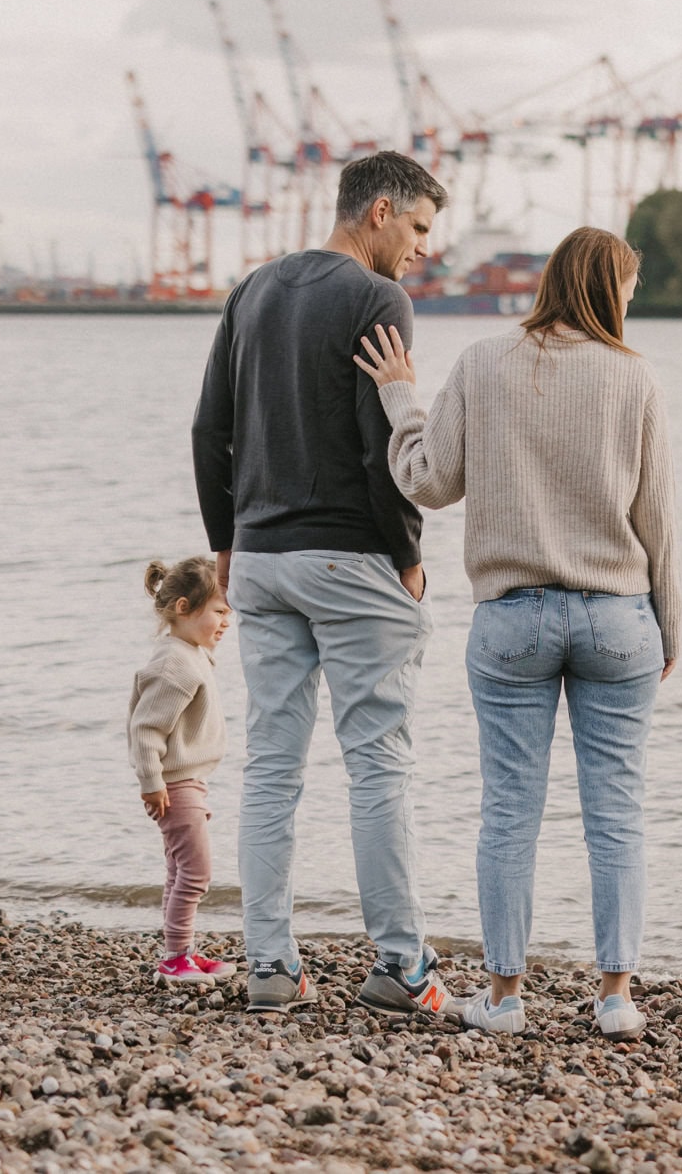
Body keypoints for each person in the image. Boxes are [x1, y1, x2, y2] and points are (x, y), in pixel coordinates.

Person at [354, 226, 680, 1042]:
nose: (632, 301)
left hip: (510, 619)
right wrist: (669, 626)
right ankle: (615, 997)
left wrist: (401, 398)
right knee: (617, 812)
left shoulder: (482, 361)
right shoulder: (635, 378)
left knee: (509, 811)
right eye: (630, 287)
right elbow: (658, 520)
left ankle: (502, 997)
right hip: (617, 617)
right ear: (610, 288)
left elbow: (429, 481)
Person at [192, 151, 453, 1017]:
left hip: (261, 558)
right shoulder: (378, 299)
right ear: (379, 211)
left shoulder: (252, 290)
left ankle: (268, 966)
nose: (421, 251)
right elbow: (383, 436)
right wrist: (408, 549)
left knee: (271, 763)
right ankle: (401, 968)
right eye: (418, 229)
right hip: (348, 556)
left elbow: (209, 428)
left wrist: (226, 541)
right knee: (378, 758)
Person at [127, 556, 237, 988]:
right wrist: (151, 783)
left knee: (180, 868)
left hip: (189, 781)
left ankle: (182, 951)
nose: (227, 622)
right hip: (175, 784)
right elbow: (146, 728)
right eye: (219, 611)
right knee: (195, 872)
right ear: (184, 607)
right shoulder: (175, 664)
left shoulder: (190, 653)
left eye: (228, 612)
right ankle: (175, 957)